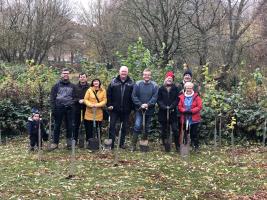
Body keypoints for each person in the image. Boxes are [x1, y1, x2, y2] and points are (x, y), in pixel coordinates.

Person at [107, 66, 134, 149]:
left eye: (125, 71)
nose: (124, 73)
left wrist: (132, 107)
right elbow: (108, 94)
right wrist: (109, 105)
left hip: (126, 109)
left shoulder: (131, 82)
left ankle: (121, 143)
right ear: (119, 72)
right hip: (114, 109)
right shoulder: (113, 82)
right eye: (122, 71)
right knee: (112, 126)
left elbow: (133, 96)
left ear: (127, 72)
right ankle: (111, 144)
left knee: (124, 127)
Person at [131, 68, 158, 151]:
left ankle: (143, 144)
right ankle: (133, 145)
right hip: (139, 109)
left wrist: (148, 104)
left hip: (149, 110)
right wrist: (141, 104)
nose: (147, 76)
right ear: (143, 75)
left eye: (148, 75)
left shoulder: (154, 85)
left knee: (146, 127)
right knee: (137, 126)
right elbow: (134, 96)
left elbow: (155, 97)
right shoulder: (138, 84)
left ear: (150, 76)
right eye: (145, 75)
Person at [50, 68, 75, 150]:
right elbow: (52, 98)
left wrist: (72, 104)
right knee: (57, 126)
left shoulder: (72, 86)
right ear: (61, 74)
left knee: (70, 126)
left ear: (69, 75)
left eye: (67, 73)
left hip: (69, 109)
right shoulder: (56, 85)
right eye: (64, 73)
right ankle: (55, 143)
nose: (66, 74)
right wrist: (53, 109)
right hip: (59, 108)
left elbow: (75, 98)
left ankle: (69, 143)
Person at [157, 71, 180, 152]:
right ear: (165, 79)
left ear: (172, 80)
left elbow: (177, 99)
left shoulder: (175, 88)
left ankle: (177, 145)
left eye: (171, 79)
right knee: (163, 130)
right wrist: (164, 107)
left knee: (175, 130)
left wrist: (171, 106)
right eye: (168, 78)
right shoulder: (161, 88)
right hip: (163, 113)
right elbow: (159, 100)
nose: (169, 80)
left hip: (172, 112)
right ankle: (165, 145)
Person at [178, 82, 202, 152]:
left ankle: (196, 146)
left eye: (190, 88)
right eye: (187, 88)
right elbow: (179, 106)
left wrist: (191, 111)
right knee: (185, 132)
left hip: (194, 118)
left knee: (194, 133)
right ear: (185, 88)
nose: (189, 89)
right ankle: (186, 146)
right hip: (185, 118)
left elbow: (199, 106)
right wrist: (184, 110)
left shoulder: (196, 96)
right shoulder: (182, 96)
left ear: (192, 88)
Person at [84, 78, 107, 144]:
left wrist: (97, 105)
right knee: (89, 128)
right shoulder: (89, 90)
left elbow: (104, 100)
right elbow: (85, 99)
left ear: (99, 82)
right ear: (92, 83)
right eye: (94, 81)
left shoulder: (103, 90)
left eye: (97, 81)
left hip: (98, 112)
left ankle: (98, 142)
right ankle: (89, 141)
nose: (96, 82)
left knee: (98, 128)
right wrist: (91, 105)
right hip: (89, 112)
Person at [73, 73, 89, 146]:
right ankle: (75, 140)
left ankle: (88, 140)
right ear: (79, 78)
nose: (82, 78)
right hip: (77, 108)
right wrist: (78, 100)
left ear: (86, 78)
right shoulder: (75, 87)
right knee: (76, 125)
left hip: (87, 108)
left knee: (87, 125)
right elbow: (72, 97)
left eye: (84, 77)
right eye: (81, 77)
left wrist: (86, 101)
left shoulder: (90, 87)